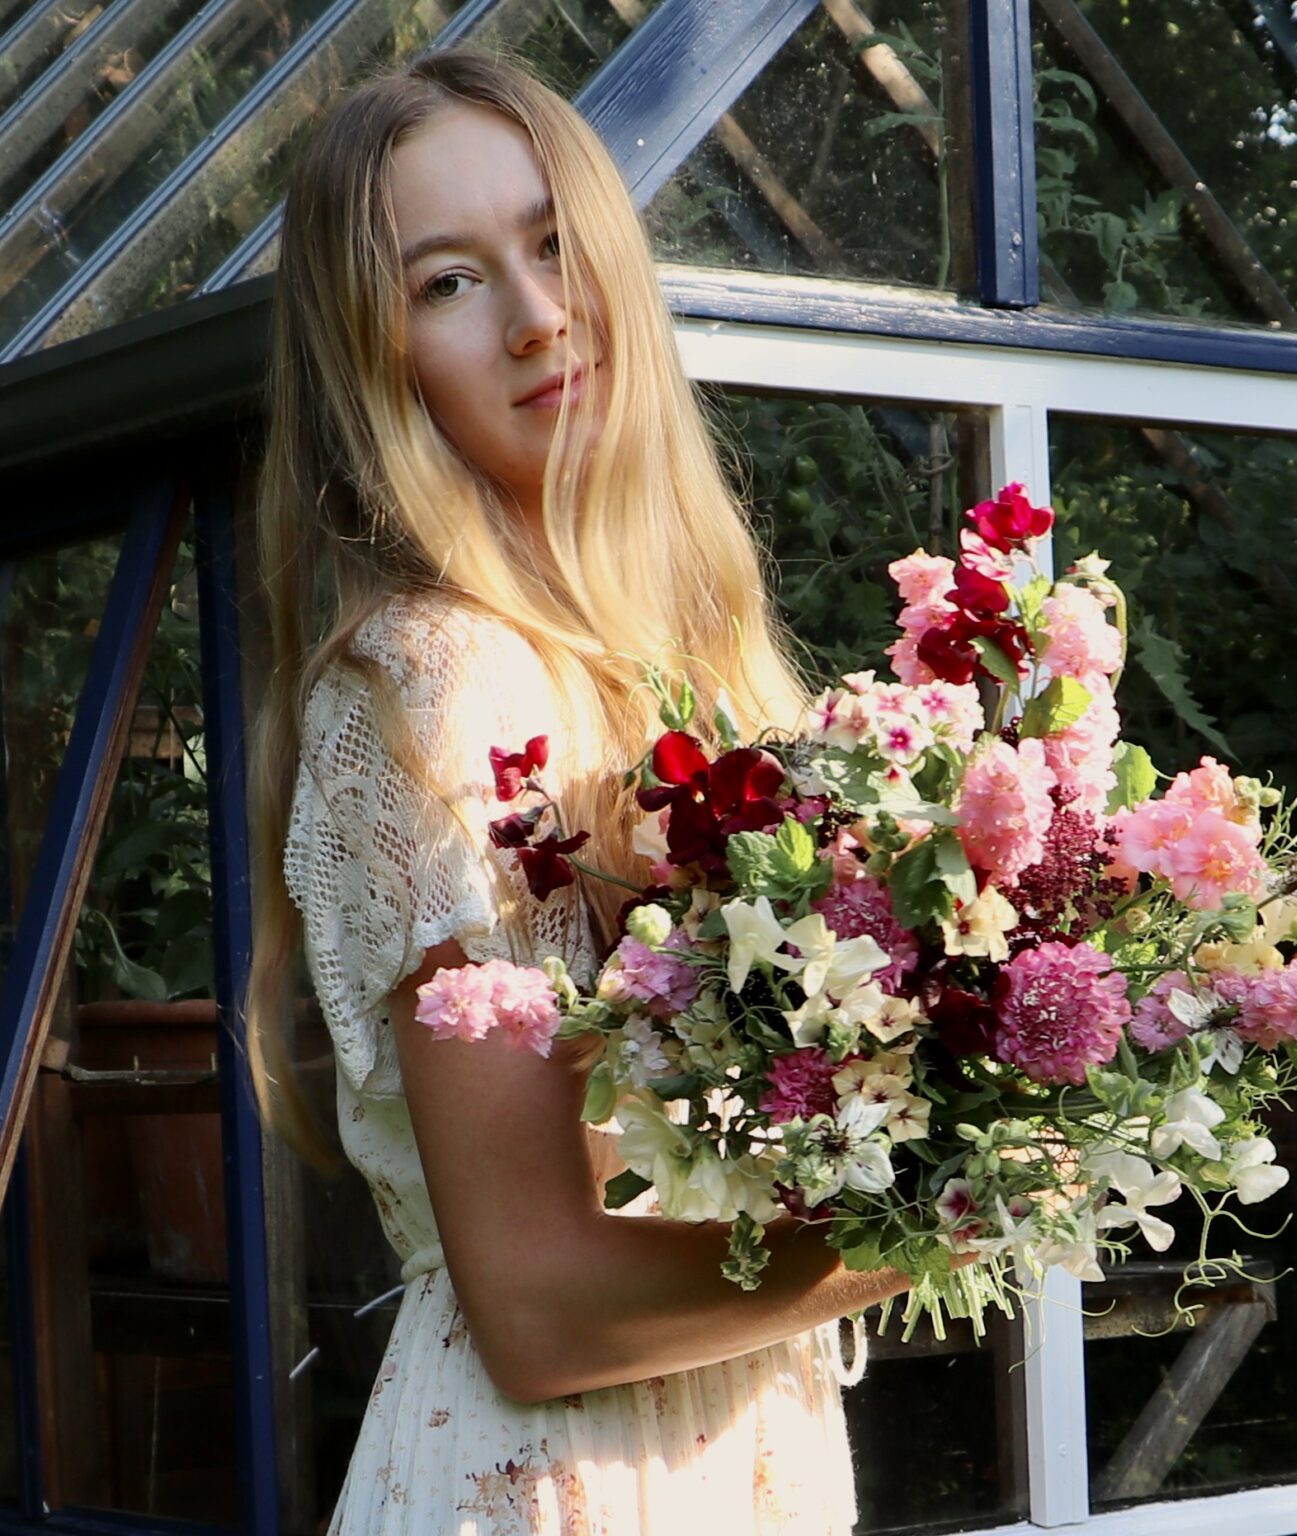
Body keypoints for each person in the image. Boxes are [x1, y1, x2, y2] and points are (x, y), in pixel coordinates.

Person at [244, 46, 916, 1535]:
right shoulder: (436, 683)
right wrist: (946, 1217)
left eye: (553, 243)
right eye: (448, 282)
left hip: (735, 1453)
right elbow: (538, 1308)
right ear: (377, 365)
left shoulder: (693, 673)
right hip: (558, 1488)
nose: (540, 315)